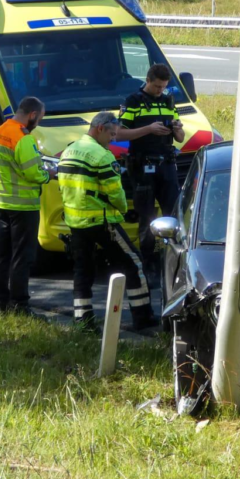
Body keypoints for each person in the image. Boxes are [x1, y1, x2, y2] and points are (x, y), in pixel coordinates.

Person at [59, 112, 155, 332]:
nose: (113, 139)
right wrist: (125, 210)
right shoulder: (103, 156)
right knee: (134, 264)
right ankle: (143, 317)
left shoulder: (69, 149)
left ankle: (83, 319)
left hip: (76, 221)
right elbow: (115, 193)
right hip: (102, 221)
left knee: (83, 270)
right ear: (100, 128)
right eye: (112, 134)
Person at [117, 63, 184, 289]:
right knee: (147, 218)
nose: (159, 91)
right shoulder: (133, 101)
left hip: (166, 165)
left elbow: (181, 138)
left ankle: (175, 263)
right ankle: (149, 268)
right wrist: (149, 129)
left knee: (174, 217)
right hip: (143, 166)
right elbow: (119, 133)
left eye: (163, 87)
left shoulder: (168, 100)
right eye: (156, 86)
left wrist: (176, 129)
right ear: (148, 80)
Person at [0, 96, 53, 315]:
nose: (39, 123)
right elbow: (32, 172)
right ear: (32, 115)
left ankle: (1, 303)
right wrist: (49, 174)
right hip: (23, 207)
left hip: (2, 203)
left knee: (2, 256)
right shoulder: (24, 138)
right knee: (22, 258)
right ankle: (21, 306)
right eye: (40, 118)